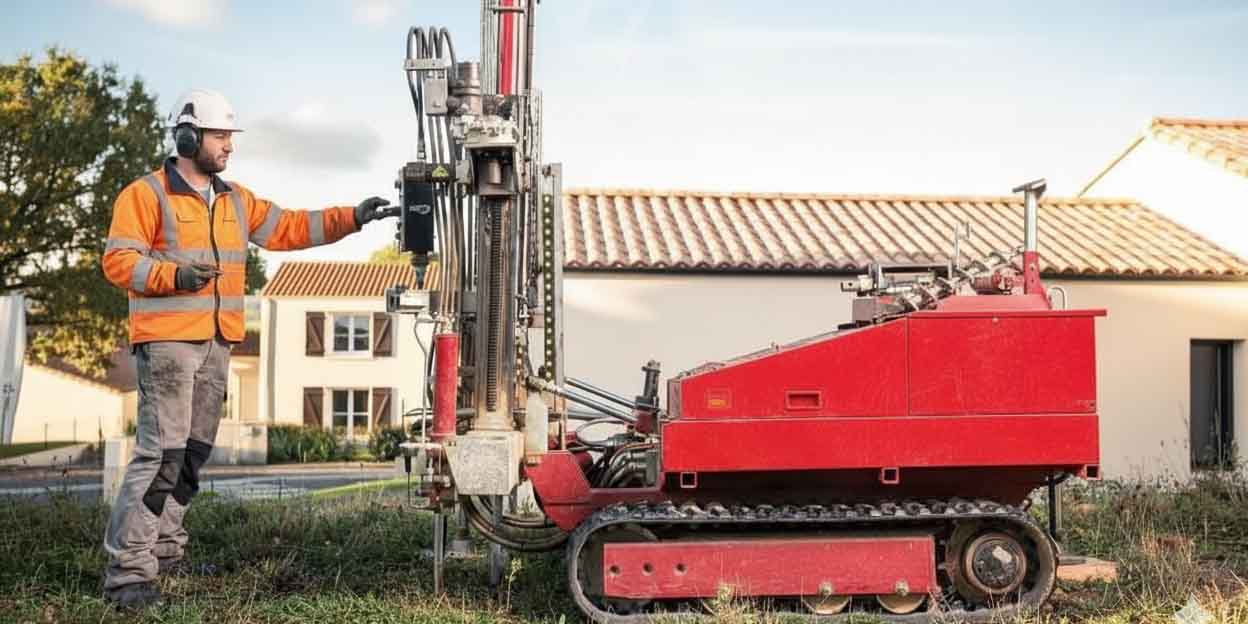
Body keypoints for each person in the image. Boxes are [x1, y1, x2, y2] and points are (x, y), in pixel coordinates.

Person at [98, 89, 391, 609]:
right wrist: (174, 275)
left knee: (191, 456)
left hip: (217, 341)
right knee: (160, 456)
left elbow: (292, 228)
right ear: (187, 137)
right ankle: (129, 575)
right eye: (219, 136)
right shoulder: (145, 195)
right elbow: (118, 262)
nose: (229, 146)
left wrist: (353, 217)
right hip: (168, 344)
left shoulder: (236, 199)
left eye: (230, 136)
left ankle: (165, 553)